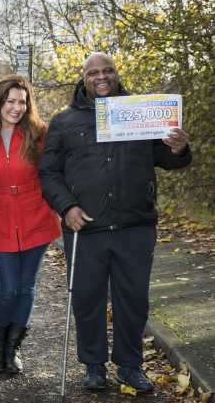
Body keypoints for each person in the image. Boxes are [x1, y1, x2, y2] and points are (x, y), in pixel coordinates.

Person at [39, 52, 191, 392]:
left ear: (116, 74)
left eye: (107, 70)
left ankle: (129, 365)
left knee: (132, 301)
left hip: (135, 226)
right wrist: (66, 208)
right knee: (87, 300)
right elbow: (48, 172)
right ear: (84, 78)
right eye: (93, 72)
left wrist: (180, 148)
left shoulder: (140, 112)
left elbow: (168, 159)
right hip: (85, 229)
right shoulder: (64, 121)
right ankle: (93, 366)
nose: (101, 77)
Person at [0, 75, 61, 375]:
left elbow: (57, 169)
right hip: (0, 217)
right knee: (9, 288)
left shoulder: (39, 132)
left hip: (36, 216)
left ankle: (13, 349)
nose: (16, 107)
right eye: (11, 101)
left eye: (22, 101)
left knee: (27, 287)